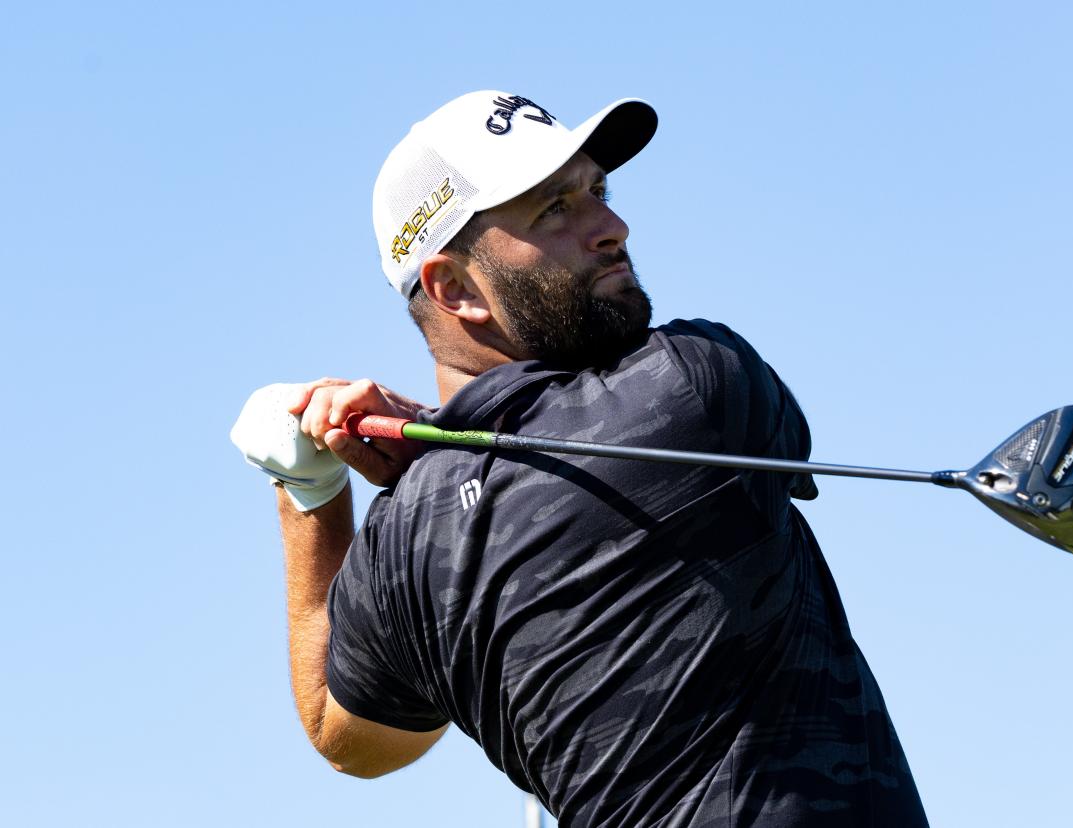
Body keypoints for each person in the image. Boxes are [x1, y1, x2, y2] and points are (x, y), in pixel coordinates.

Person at [231, 90, 928, 827]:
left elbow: (352, 742)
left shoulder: (400, 547)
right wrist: (435, 439)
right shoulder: (695, 383)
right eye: (553, 210)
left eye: (597, 191)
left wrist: (307, 490)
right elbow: (553, 459)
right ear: (454, 288)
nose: (612, 227)